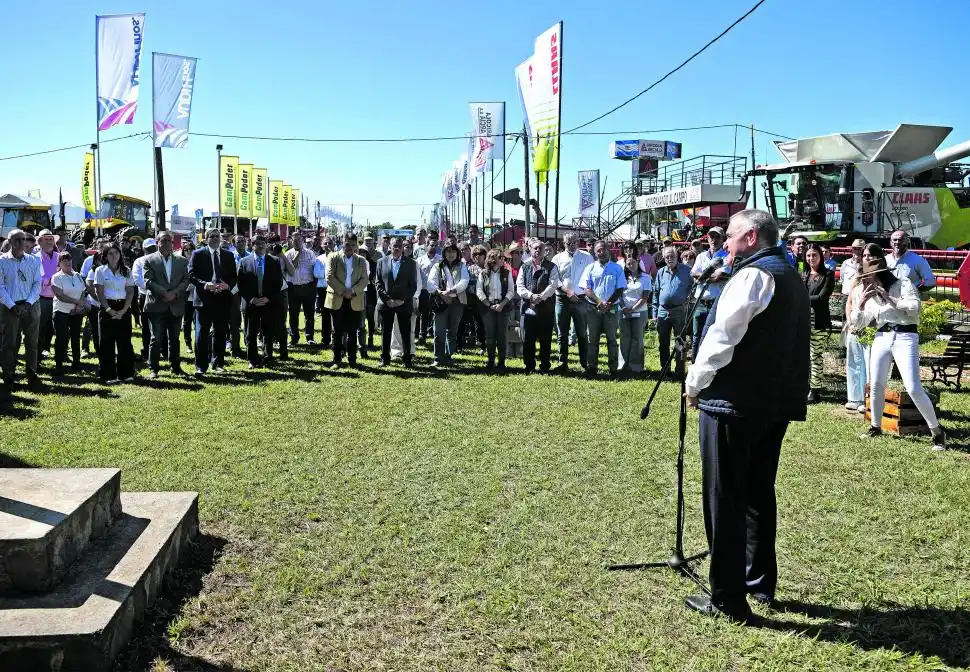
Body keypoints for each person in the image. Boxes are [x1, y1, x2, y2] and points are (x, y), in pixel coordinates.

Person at [684, 209, 810, 624]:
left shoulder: (754, 275)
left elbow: (723, 335)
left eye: (732, 236)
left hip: (734, 403)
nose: (725, 243)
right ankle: (758, 582)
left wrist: (695, 382)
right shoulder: (788, 274)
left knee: (726, 498)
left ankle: (727, 597)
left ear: (752, 237)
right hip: (771, 402)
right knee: (757, 494)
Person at [850, 256, 947, 450]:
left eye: (869, 277)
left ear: (880, 274)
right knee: (876, 384)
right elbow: (858, 323)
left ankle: (937, 431)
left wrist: (888, 297)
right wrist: (860, 305)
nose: (866, 281)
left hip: (905, 335)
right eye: (864, 278)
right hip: (882, 335)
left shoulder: (903, 284)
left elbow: (914, 309)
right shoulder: (867, 293)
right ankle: (875, 426)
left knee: (912, 387)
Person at [187, 228, 238, 375]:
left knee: (220, 333)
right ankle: (201, 366)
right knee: (202, 334)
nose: (215, 239)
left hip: (222, 300)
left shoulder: (228, 255)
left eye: (217, 236)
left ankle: (218, 364)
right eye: (212, 236)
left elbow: (233, 276)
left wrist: (227, 285)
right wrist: (205, 284)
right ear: (206, 239)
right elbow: (191, 275)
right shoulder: (198, 254)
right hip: (204, 299)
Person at [0, 229, 43, 393]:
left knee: (32, 342)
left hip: (31, 304)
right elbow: (0, 287)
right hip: (8, 306)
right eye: (16, 240)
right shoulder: (2, 261)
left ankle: (31, 374)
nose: (20, 243)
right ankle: (9, 377)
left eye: (22, 239)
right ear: (9, 242)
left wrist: (28, 303)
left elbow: (37, 283)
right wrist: (12, 306)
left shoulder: (33, 260)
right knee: (9, 343)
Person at [143, 231, 189, 378]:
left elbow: (186, 280)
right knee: (156, 338)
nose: (167, 243)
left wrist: (174, 293)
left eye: (169, 240)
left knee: (174, 338)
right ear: (157, 243)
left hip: (175, 304)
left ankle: (175, 367)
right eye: (163, 240)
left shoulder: (182, 261)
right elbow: (148, 281)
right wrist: (164, 293)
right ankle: (153, 368)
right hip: (157, 305)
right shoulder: (148, 260)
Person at [237, 236, 284, 368]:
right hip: (251, 304)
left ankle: (268, 357)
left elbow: (278, 283)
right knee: (250, 333)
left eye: (263, 244)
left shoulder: (274, 261)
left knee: (268, 332)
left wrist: (268, 298)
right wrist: (252, 299)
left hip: (268, 303)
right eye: (258, 244)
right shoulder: (244, 262)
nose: (262, 246)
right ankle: (252, 360)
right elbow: (241, 284)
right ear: (252, 246)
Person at [581, 240, 626, 378]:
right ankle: (592, 368)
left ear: (609, 250)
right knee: (592, 340)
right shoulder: (590, 268)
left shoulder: (617, 268)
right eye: (599, 250)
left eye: (604, 249)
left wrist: (608, 303)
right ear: (595, 252)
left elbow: (620, 288)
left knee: (612, 340)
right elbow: (586, 288)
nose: (602, 252)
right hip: (593, 308)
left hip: (611, 309)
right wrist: (599, 302)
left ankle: (613, 369)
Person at [93, 242, 136, 384]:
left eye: (116, 253)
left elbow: (130, 291)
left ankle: (127, 373)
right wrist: (109, 310)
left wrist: (123, 310)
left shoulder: (127, 271)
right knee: (106, 343)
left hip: (123, 306)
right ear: (105, 256)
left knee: (125, 342)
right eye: (110, 253)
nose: (114, 256)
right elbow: (99, 292)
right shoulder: (100, 271)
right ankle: (109, 375)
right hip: (107, 307)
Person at [324, 234, 369, 369]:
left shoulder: (361, 260)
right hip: (337, 298)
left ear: (356, 246)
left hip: (354, 299)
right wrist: (343, 291)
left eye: (352, 245)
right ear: (342, 243)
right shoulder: (333, 256)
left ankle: (352, 360)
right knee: (336, 331)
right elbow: (329, 276)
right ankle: (337, 360)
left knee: (352, 331)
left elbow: (364, 279)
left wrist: (353, 291)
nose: (349, 247)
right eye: (347, 244)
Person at [551, 233, 594, 372]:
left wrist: (579, 293)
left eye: (574, 242)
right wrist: (568, 292)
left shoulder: (587, 257)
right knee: (562, 333)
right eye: (568, 243)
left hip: (581, 299)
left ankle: (584, 363)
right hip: (562, 299)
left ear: (578, 242)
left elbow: (590, 278)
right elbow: (555, 280)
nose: (572, 245)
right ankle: (562, 363)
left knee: (582, 333)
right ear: (564, 243)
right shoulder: (557, 258)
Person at [516, 240, 559, 373]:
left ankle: (545, 365)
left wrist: (541, 297)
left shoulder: (551, 266)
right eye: (535, 248)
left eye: (541, 248)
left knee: (545, 339)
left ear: (544, 250)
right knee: (529, 338)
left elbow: (553, 284)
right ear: (530, 249)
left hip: (546, 308)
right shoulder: (524, 266)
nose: (538, 250)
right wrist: (531, 296)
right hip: (529, 307)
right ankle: (529, 365)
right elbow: (520, 286)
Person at [376, 237, 418, 367]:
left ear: (402, 248)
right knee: (386, 332)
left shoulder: (411, 263)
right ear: (390, 246)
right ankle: (385, 358)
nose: (397, 248)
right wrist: (388, 300)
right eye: (395, 245)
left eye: (400, 246)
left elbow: (413, 286)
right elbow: (378, 283)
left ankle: (407, 359)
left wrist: (402, 300)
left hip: (403, 304)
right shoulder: (381, 262)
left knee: (405, 332)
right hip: (386, 304)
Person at [427, 242, 469, 368]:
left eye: (453, 251)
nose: (450, 254)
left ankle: (448, 356)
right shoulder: (437, 266)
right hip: (441, 302)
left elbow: (464, 280)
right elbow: (430, 283)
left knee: (452, 331)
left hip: (457, 302)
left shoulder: (462, 265)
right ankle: (438, 358)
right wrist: (441, 293)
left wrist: (452, 291)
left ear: (457, 253)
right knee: (438, 330)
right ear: (444, 253)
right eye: (448, 252)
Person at [690, 227, 730, 361]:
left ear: (722, 238)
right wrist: (710, 276)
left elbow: (719, 277)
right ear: (707, 239)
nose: (714, 240)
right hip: (699, 302)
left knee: (713, 336)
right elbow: (693, 274)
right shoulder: (701, 256)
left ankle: (709, 365)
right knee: (696, 336)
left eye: (717, 237)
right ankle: (694, 364)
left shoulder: (726, 257)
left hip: (716, 303)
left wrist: (702, 277)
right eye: (711, 237)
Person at [842, 244, 873, 413]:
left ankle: (867, 399)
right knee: (854, 362)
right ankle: (854, 397)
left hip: (869, 325)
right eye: (864, 255)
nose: (865, 258)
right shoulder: (857, 278)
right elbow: (849, 302)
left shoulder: (878, 278)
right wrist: (850, 322)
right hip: (854, 324)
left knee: (868, 363)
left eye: (869, 256)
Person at [653, 245, 692, 371]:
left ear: (677, 257)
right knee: (663, 342)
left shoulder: (687, 271)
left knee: (680, 342)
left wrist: (689, 301)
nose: (670, 259)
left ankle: (679, 369)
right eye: (667, 257)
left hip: (680, 310)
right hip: (663, 311)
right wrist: (654, 313)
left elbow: (695, 287)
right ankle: (665, 368)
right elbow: (656, 293)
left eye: (672, 256)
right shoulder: (660, 272)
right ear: (664, 258)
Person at [50, 251, 89, 376]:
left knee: (76, 337)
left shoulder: (77, 275)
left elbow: (83, 291)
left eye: (69, 260)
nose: (67, 262)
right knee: (62, 338)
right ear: (59, 263)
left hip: (77, 311)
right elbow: (60, 295)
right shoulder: (56, 277)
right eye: (63, 260)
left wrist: (78, 306)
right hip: (61, 311)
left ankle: (76, 362)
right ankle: (59, 364)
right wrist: (77, 302)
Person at [804, 244, 834, 403]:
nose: (811, 258)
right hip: (803, 322)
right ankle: (805, 386)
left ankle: (815, 391)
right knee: (803, 357)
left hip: (819, 322)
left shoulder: (827, 275)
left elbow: (822, 298)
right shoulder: (804, 274)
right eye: (808, 255)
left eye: (814, 255)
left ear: (820, 256)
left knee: (816, 356)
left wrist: (802, 299)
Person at [476, 248, 514, 371]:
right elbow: (479, 290)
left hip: (503, 307)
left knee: (502, 335)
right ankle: (491, 360)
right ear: (493, 260)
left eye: (503, 258)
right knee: (490, 335)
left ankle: (502, 362)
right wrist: (488, 304)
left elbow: (511, 291)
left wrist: (502, 304)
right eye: (500, 258)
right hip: (488, 308)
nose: (503, 260)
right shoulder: (483, 273)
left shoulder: (507, 273)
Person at [618, 251, 652, 376]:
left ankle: (636, 366)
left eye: (633, 262)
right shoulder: (622, 277)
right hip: (623, 312)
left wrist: (631, 309)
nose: (630, 265)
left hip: (639, 312)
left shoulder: (646, 278)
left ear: (638, 262)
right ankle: (622, 365)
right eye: (628, 263)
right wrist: (623, 307)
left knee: (637, 339)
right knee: (624, 337)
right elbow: (619, 294)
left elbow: (645, 298)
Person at [284, 231, 317, 346]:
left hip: (308, 287)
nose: (297, 242)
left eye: (299, 240)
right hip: (293, 288)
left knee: (309, 314)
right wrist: (298, 254)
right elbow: (291, 269)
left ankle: (310, 337)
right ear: (291, 241)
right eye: (294, 240)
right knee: (293, 315)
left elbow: (315, 270)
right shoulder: (288, 254)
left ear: (302, 240)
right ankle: (294, 337)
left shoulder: (310, 253)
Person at [35, 229, 59, 362]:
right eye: (46, 239)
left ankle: (57, 355)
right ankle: (37, 357)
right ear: (40, 241)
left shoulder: (59, 256)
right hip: (41, 299)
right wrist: (52, 279)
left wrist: (50, 280)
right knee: (40, 328)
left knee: (56, 329)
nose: (50, 241)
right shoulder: (35, 258)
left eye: (51, 239)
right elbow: (37, 278)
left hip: (58, 298)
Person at [131, 237, 157, 361]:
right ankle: (147, 351)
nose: (151, 250)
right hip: (145, 296)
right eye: (149, 249)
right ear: (144, 249)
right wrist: (152, 288)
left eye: (153, 248)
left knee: (161, 323)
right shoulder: (139, 261)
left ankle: (163, 350)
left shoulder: (160, 259)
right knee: (146, 325)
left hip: (160, 295)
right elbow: (137, 279)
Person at [416, 238, 440, 345]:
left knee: (436, 314)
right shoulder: (420, 260)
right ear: (426, 245)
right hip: (424, 291)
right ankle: (422, 335)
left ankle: (436, 335)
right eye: (431, 245)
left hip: (436, 291)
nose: (433, 248)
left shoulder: (440, 259)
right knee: (424, 314)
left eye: (435, 246)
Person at [313, 246, 333, 348]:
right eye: (325, 243)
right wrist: (329, 273)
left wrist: (324, 272)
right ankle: (325, 338)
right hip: (322, 289)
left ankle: (335, 338)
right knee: (325, 315)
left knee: (335, 315)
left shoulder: (337, 257)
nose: (327, 245)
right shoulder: (319, 258)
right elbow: (316, 273)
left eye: (329, 243)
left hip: (334, 289)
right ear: (322, 245)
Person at [180, 240, 197, 352]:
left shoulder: (198, 262)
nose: (188, 251)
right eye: (186, 249)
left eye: (191, 249)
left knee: (198, 321)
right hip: (186, 296)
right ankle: (188, 344)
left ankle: (198, 343)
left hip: (197, 295)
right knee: (187, 321)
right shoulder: (181, 263)